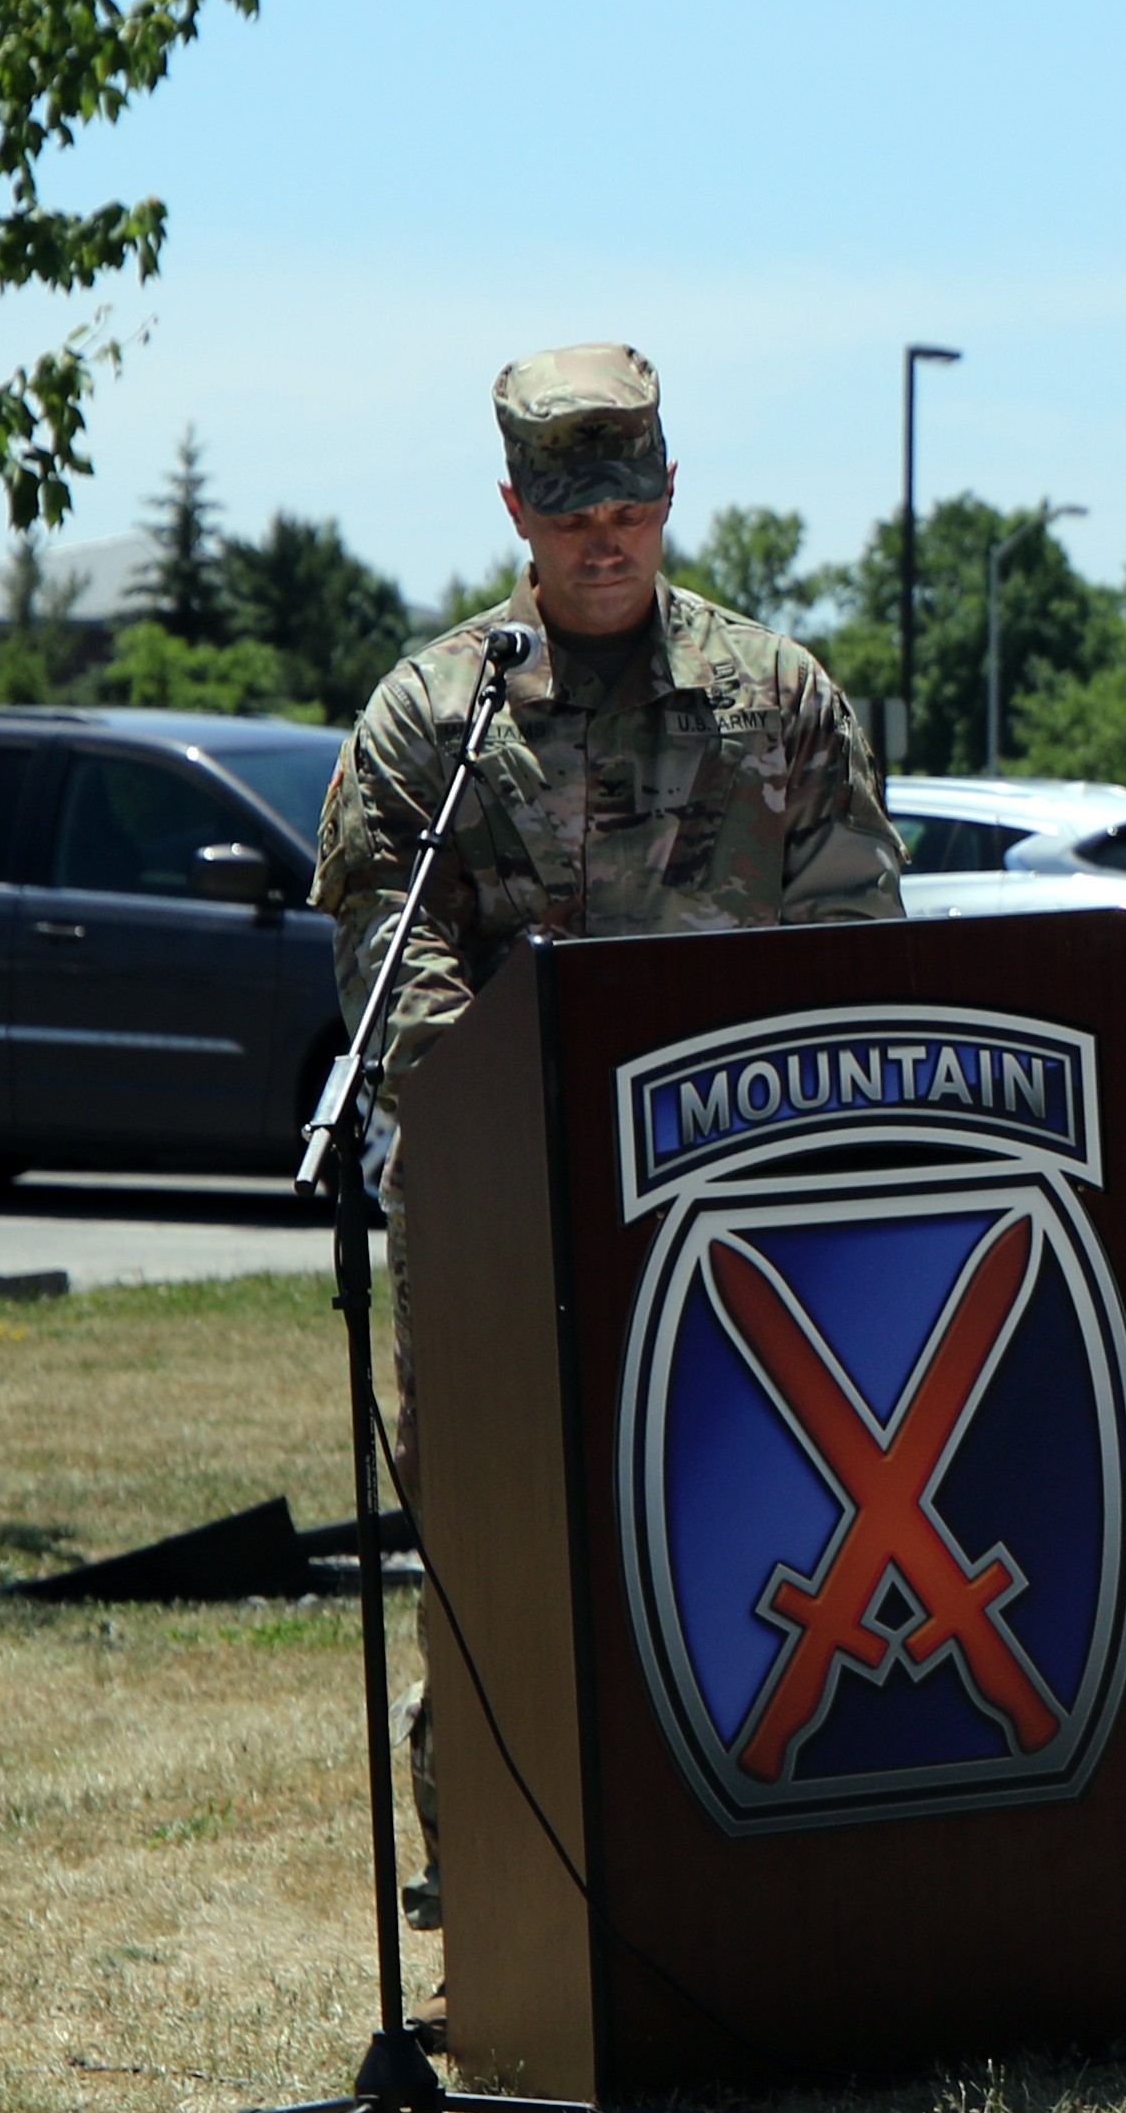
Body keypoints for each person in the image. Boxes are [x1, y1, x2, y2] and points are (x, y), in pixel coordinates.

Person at [312, 342, 906, 1944]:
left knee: (757, 1529)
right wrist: (511, 1141)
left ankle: (765, 1858)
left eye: (629, 508)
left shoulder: (776, 700)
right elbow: (395, 962)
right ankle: (498, 1897)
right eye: (572, 515)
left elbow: (856, 942)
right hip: (506, 1216)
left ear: (668, 501)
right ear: (515, 508)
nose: (603, 541)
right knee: (500, 1550)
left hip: (740, 1234)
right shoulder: (434, 712)